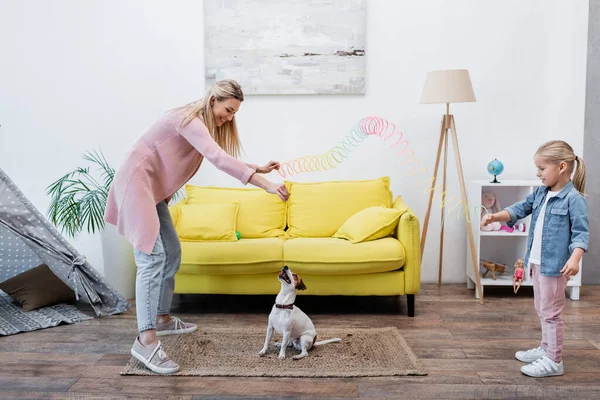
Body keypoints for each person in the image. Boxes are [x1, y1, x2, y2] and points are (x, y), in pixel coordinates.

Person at [104, 79, 289, 374]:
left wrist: (257, 168)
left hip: (152, 190)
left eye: (233, 114)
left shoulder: (199, 122)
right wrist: (265, 184)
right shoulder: (188, 119)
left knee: (172, 252)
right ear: (213, 99)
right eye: (227, 110)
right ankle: (145, 340)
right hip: (137, 183)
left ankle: (162, 319)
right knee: (151, 258)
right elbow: (218, 158)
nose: (228, 117)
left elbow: (218, 154)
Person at [482, 140, 588, 378]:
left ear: (562, 167)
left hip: (556, 266)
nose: (538, 173)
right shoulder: (541, 193)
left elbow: (581, 234)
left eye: (542, 168)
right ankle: (546, 347)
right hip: (537, 262)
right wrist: (494, 216)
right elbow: (519, 209)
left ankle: (554, 360)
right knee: (542, 308)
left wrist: (575, 259)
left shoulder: (574, 199)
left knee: (551, 312)